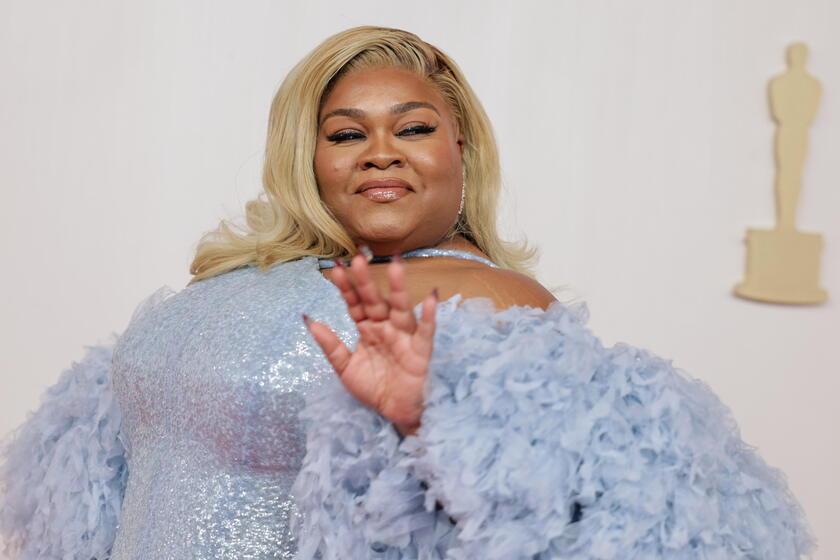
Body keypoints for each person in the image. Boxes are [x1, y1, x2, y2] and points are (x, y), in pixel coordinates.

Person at [0, 25, 816, 560]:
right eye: (347, 134)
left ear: (462, 151)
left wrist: (425, 422)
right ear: (306, 160)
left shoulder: (491, 302)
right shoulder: (244, 278)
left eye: (414, 128)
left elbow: (555, 524)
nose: (380, 152)